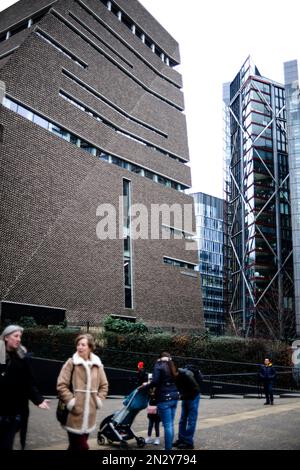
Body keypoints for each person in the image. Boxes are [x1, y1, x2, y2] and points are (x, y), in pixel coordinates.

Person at [0, 324, 50, 450]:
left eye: (20, 337)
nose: (19, 339)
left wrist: (39, 399)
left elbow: (28, 382)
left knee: (7, 444)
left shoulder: (22, 358)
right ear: (6, 337)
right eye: (15, 336)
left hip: (14, 412)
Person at [57, 333, 109, 451]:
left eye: (83, 345)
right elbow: (61, 385)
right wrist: (71, 402)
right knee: (83, 447)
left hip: (90, 415)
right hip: (74, 415)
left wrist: (98, 400)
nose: (79, 347)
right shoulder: (71, 363)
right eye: (78, 344)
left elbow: (104, 386)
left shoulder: (98, 365)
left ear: (90, 347)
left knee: (75, 447)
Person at [142, 351, 179, 450]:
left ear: (160, 358)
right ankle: (169, 447)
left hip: (164, 398)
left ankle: (168, 451)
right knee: (170, 424)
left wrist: (146, 386)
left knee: (167, 425)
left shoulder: (159, 365)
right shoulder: (172, 366)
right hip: (174, 397)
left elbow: (155, 381)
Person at [173, 364, 203, 449]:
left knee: (191, 420)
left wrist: (182, 396)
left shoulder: (187, 374)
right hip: (186, 396)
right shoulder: (175, 376)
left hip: (193, 397)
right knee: (183, 419)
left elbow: (196, 389)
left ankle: (188, 442)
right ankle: (182, 439)